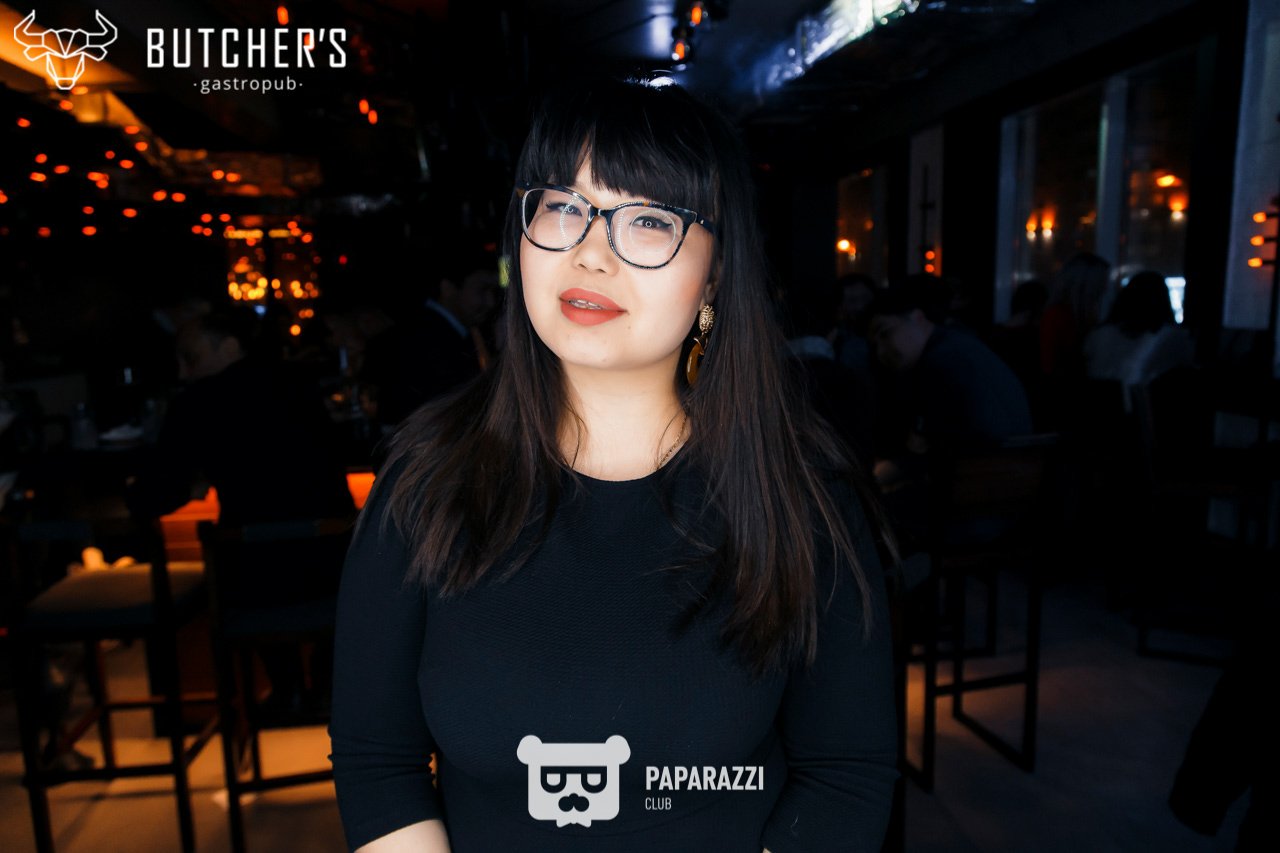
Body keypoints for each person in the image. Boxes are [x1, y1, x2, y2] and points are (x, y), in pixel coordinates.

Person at [329, 77, 898, 853]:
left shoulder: (798, 494)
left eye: (650, 219)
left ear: (715, 275)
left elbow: (845, 775)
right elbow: (378, 762)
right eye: (564, 205)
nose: (590, 252)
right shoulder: (427, 478)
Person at [127, 310, 356, 718]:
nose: (182, 370)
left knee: (244, 551)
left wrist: (183, 487)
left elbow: (152, 497)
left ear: (230, 347)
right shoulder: (299, 383)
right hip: (336, 567)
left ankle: (288, 689)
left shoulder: (197, 402)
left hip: (254, 578)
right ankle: (325, 688)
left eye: (191, 357)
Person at [359, 251, 499, 432]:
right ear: (448, 288)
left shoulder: (438, 331)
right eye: (482, 290)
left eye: (493, 291)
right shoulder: (430, 339)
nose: (490, 302)